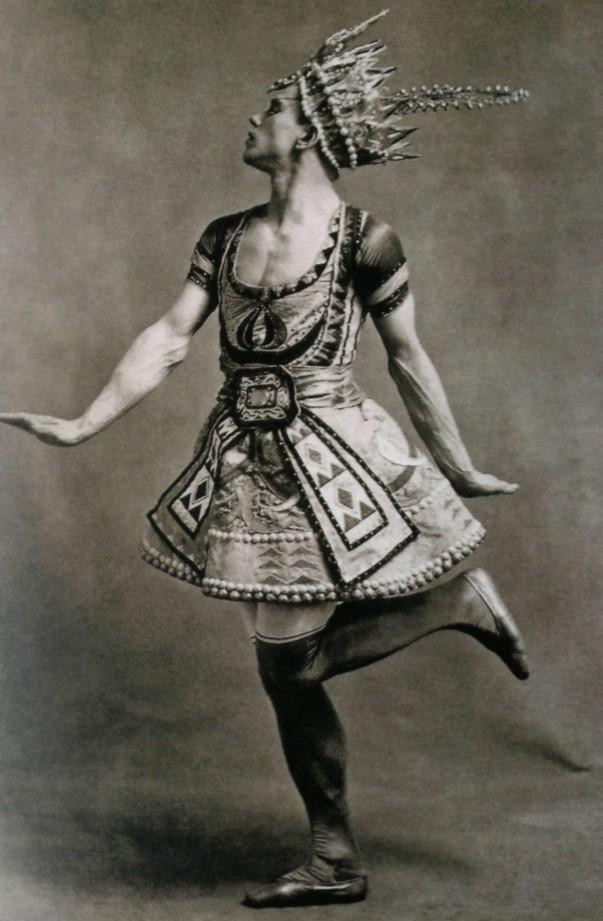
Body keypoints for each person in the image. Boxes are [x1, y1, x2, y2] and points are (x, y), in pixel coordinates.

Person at [0, 10, 530, 910]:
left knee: (286, 665)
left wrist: (458, 463)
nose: (254, 118)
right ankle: (335, 852)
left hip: (332, 457)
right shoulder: (223, 235)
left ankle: (443, 621)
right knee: (284, 668)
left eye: (272, 108)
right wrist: (85, 422)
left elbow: (407, 357)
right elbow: (171, 335)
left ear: (309, 131)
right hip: (244, 459)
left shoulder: (366, 239)